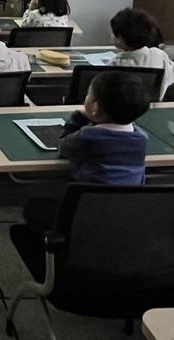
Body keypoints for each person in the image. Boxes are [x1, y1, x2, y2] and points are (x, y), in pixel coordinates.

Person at [22, 70, 151, 232]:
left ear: (95, 106)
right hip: (124, 214)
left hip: (85, 217)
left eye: (88, 95)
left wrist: (79, 118)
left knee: (34, 207)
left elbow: (63, 146)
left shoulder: (87, 137)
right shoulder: (141, 139)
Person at [108, 8, 174, 100]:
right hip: (152, 110)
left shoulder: (115, 63)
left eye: (112, 32)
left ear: (119, 38)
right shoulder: (159, 55)